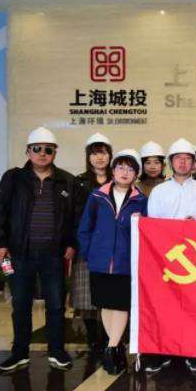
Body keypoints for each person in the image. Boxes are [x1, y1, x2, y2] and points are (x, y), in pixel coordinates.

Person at [0, 127, 75, 372]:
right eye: (37, 148)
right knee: (21, 305)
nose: (42, 153)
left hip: (53, 255)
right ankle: (19, 354)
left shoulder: (67, 181)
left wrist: (71, 244)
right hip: (20, 254)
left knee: (56, 305)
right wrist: (0, 242)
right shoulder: (13, 178)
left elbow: (75, 217)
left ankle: (57, 352)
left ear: (55, 153)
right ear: (28, 152)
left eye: (48, 149)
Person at [146, 138, 196, 374]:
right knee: (165, 307)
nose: (183, 162)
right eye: (178, 158)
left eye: (187, 158)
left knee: (194, 308)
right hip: (165, 259)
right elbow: (152, 226)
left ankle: (193, 352)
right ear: (171, 162)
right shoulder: (159, 191)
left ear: (194, 163)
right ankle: (163, 352)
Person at [78, 149, 147, 375]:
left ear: (136, 174)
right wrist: (89, 253)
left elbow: (147, 231)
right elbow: (85, 228)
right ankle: (115, 348)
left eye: (130, 169)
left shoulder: (141, 200)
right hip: (99, 261)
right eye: (120, 167)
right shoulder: (97, 197)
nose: (125, 172)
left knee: (121, 305)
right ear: (113, 170)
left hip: (125, 263)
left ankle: (111, 348)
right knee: (105, 305)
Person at [71, 132, 112, 354]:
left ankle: (107, 337)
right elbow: (73, 216)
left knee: (107, 294)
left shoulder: (118, 180)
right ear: (88, 157)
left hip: (111, 247)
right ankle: (92, 338)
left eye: (103, 153)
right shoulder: (79, 182)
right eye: (95, 154)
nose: (100, 158)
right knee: (86, 296)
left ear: (110, 156)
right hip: (86, 246)